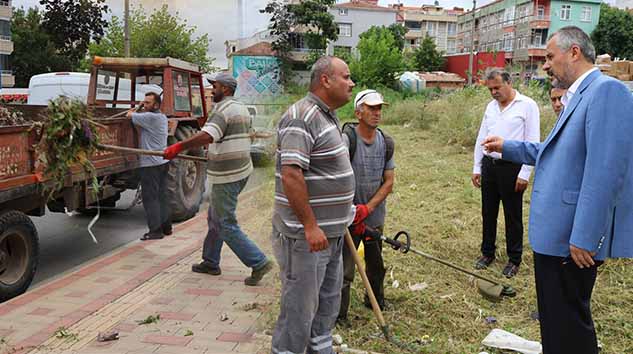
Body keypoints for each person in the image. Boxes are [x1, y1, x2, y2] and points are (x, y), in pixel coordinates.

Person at [482, 26, 633, 354]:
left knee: (569, 326)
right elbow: (557, 153)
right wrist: (508, 147)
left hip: (571, 240)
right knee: (555, 321)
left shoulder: (606, 92)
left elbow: (606, 171)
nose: (546, 65)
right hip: (555, 234)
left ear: (574, 52)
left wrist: (585, 235)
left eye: (550, 57)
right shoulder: (578, 96)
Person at [271, 56, 355, 354]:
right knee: (299, 307)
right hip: (307, 238)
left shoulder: (327, 115)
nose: (351, 83)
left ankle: (319, 349)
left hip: (331, 234)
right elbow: (292, 174)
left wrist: (345, 213)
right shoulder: (301, 116)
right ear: (325, 80)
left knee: (327, 302)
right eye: (346, 76)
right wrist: (310, 225)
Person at [163, 72, 273, 286]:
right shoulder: (241, 108)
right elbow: (234, 135)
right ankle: (211, 261)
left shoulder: (223, 110)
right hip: (241, 170)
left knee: (225, 223)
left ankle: (258, 261)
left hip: (228, 175)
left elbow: (208, 135)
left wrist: (178, 146)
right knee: (215, 217)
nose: (212, 89)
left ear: (226, 89)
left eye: (216, 86)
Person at [472, 69, 540, 278]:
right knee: (488, 211)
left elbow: (533, 141)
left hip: (513, 167)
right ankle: (487, 252)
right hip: (489, 166)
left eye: (497, 88)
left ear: (509, 83)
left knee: (512, 215)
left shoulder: (527, 105)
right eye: (490, 89)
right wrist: (477, 166)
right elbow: (481, 136)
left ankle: (514, 258)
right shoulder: (490, 108)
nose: (493, 92)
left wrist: (525, 173)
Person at [338, 89, 395, 324]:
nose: (377, 113)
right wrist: (353, 211)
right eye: (371, 108)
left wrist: (368, 209)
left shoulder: (386, 141)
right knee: (344, 270)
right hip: (348, 217)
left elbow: (389, 182)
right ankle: (338, 314)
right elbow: (336, 178)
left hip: (373, 216)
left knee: (375, 264)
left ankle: (375, 300)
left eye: (379, 108)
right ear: (358, 112)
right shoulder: (347, 140)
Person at [128, 92, 171, 241]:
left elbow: (129, 115)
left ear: (156, 105)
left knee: (150, 198)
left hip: (150, 164)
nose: (145, 104)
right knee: (162, 196)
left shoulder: (149, 117)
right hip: (162, 162)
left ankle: (155, 231)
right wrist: (143, 106)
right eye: (144, 102)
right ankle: (167, 227)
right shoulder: (162, 117)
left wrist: (138, 107)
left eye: (147, 103)